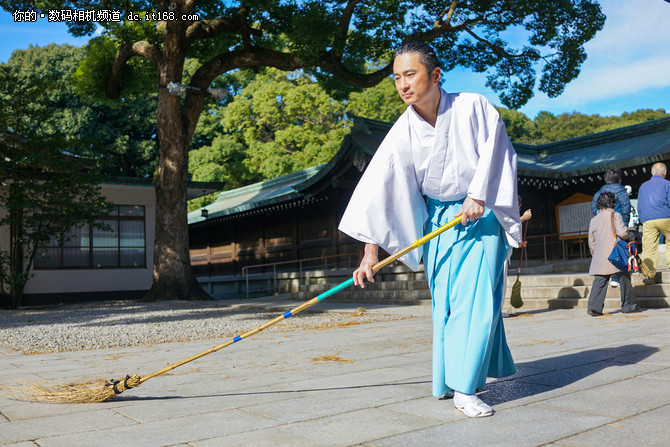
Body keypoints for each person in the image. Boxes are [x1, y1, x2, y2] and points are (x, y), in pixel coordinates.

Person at [338, 41, 521, 418]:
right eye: (396, 78)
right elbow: (381, 189)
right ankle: (452, 378)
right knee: (449, 305)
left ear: (435, 75)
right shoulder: (402, 130)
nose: (402, 84)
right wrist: (370, 252)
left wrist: (478, 194)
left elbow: (497, 149)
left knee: (476, 300)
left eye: (410, 74)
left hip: (480, 217)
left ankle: (465, 389)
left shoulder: (474, 106)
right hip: (438, 222)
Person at [587, 192, 640, 315]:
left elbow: (591, 241)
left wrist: (594, 253)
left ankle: (594, 308)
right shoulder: (615, 215)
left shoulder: (594, 220)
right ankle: (628, 306)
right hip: (616, 254)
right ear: (613, 203)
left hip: (600, 255)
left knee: (599, 282)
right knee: (624, 279)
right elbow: (622, 233)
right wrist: (628, 235)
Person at [590, 168, 631, 288]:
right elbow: (626, 209)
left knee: (604, 250)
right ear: (619, 179)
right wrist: (624, 224)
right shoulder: (621, 192)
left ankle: (608, 276)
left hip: (603, 226)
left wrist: (601, 218)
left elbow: (593, 207)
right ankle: (615, 277)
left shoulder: (599, 193)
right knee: (618, 250)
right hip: (617, 224)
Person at [637, 162, 670, 282]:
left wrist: (642, 219)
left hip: (648, 219)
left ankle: (648, 275)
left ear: (652, 173)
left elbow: (639, 205)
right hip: (666, 216)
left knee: (649, 248)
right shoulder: (667, 184)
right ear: (665, 172)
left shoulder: (643, 186)